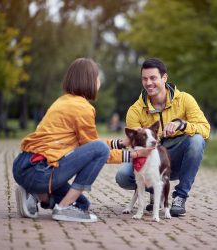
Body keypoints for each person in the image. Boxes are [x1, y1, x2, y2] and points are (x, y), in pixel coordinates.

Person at [13, 58, 153, 223]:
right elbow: (99, 151)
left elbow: (89, 144)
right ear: (89, 80)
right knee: (100, 150)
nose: (99, 81)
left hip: (24, 165)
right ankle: (62, 208)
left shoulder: (63, 100)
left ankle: (36, 194)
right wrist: (135, 155)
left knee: (81, 204)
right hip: (38, 170)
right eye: (97, 77)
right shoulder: (83, 108)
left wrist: (121, 144)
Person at [115, 58, 210, 217]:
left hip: (175, 159)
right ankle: (153, 190)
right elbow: (133, 145)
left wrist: (182, 125)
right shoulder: (135, 110)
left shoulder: (185, 100)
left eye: (153, 78)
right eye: (145, 79)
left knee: (197, 140)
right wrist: (139, 136)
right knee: (123, 176)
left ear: (164, 78)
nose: (149, 83)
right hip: (150, 158)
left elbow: (205, 129)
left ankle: (180, 197)